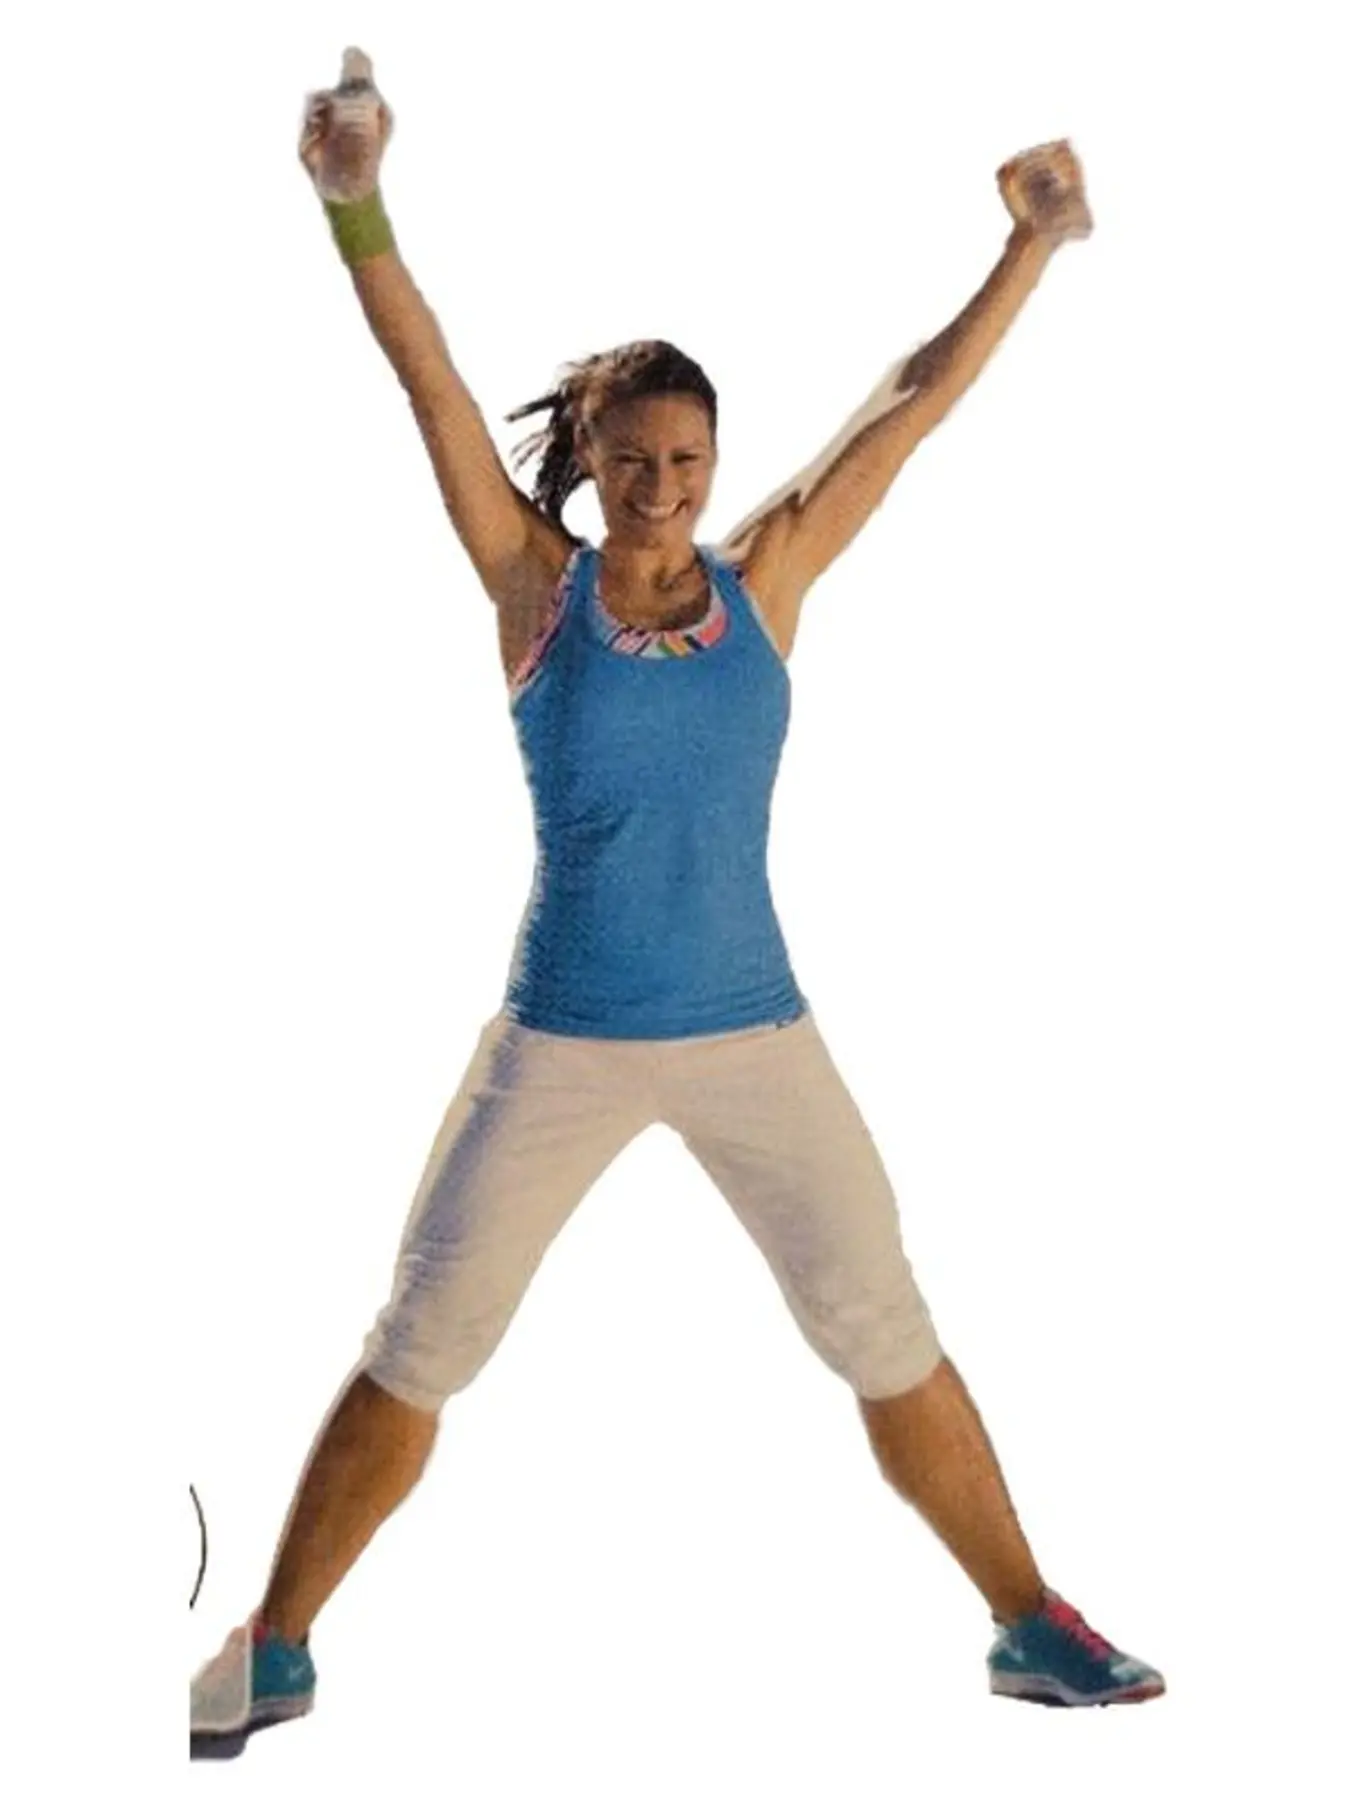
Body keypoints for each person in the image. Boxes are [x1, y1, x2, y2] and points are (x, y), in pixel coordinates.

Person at [191, 48, 1164, 1760]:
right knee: (425, 1337)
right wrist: (356, 202)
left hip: (752, 1030)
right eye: (634, 456)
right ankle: (274, 1644)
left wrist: (1028, 245)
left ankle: (1030, 1620)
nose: (662, 485)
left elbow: (905, 408)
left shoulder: (767, 577)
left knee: (883, 1322)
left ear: (716, 462)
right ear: (589, 454)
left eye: (688, 457)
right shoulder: (532, 588)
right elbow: (428, 383)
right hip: (562, 1034)